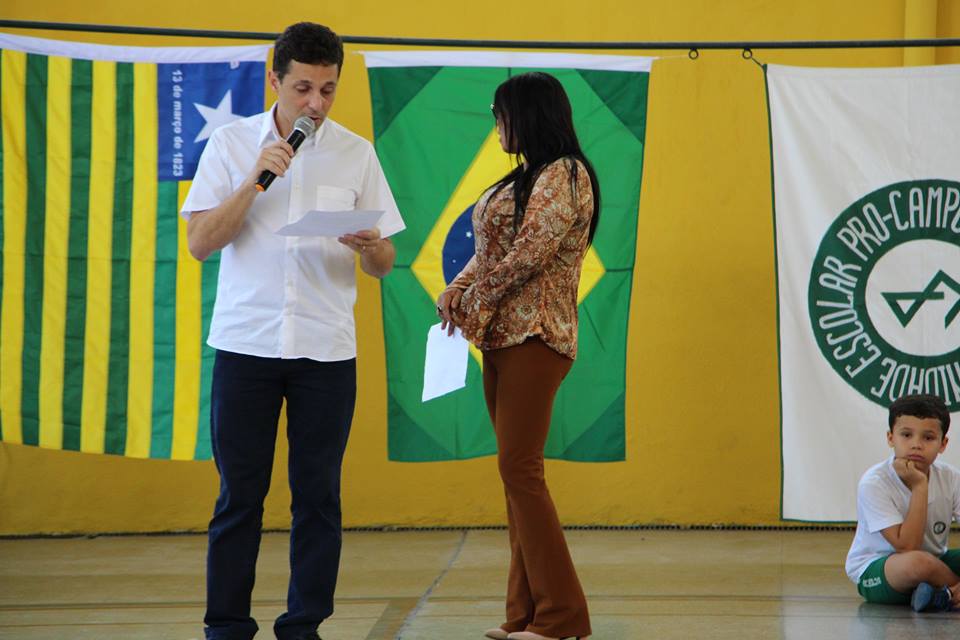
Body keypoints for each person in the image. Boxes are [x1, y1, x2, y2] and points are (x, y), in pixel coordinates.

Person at [181, 22, 405, 640]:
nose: (315, 103)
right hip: (246, 345)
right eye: (303, 87)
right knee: (239, 495)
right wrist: (255, 179)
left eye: (328, 90)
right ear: (273, 80)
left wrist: (371, 246)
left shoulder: (356, 153)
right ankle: (227, 625)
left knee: (318, 496)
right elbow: (200, 243)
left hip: (325, 350)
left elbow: (384, 263)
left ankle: (304, 625)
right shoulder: (231, 144)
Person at [437, 71, 598, 640]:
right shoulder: (523, 176)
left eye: (501, 114)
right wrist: (458, 287)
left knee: (520, 470)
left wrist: (474, 300)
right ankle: (524, 614)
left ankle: (560, 616)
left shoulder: (566, 174)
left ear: (528, 116)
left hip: (537, 337)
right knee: (515, 476)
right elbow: (490, 249)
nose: (497, 124)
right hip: (502, 339)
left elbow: (531, 253)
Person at [845, 393, 960, 612]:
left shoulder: (951, 478)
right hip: (880, 569)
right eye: (906, 435)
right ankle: (950, 590)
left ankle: (938, 594)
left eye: (928, 438)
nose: (916, 445)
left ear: (943, 443)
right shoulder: (875, 482)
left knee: (927, 562)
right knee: (918, 563)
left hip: (935, 560)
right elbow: (907, 546)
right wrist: (920, 486)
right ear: (891, 438)